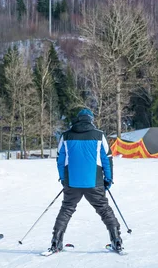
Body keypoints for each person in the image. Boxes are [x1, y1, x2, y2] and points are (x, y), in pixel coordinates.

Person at [50, 108, 122, 252]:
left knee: (66, 209)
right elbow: (106, 159)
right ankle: (116, 240)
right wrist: (108, 178)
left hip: (72, 181)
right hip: (94, 181)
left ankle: (56, 241)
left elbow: (60, 159)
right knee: (104, 209)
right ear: (91, 120)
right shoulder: (99, 135)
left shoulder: (66, 136)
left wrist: (64, 178)